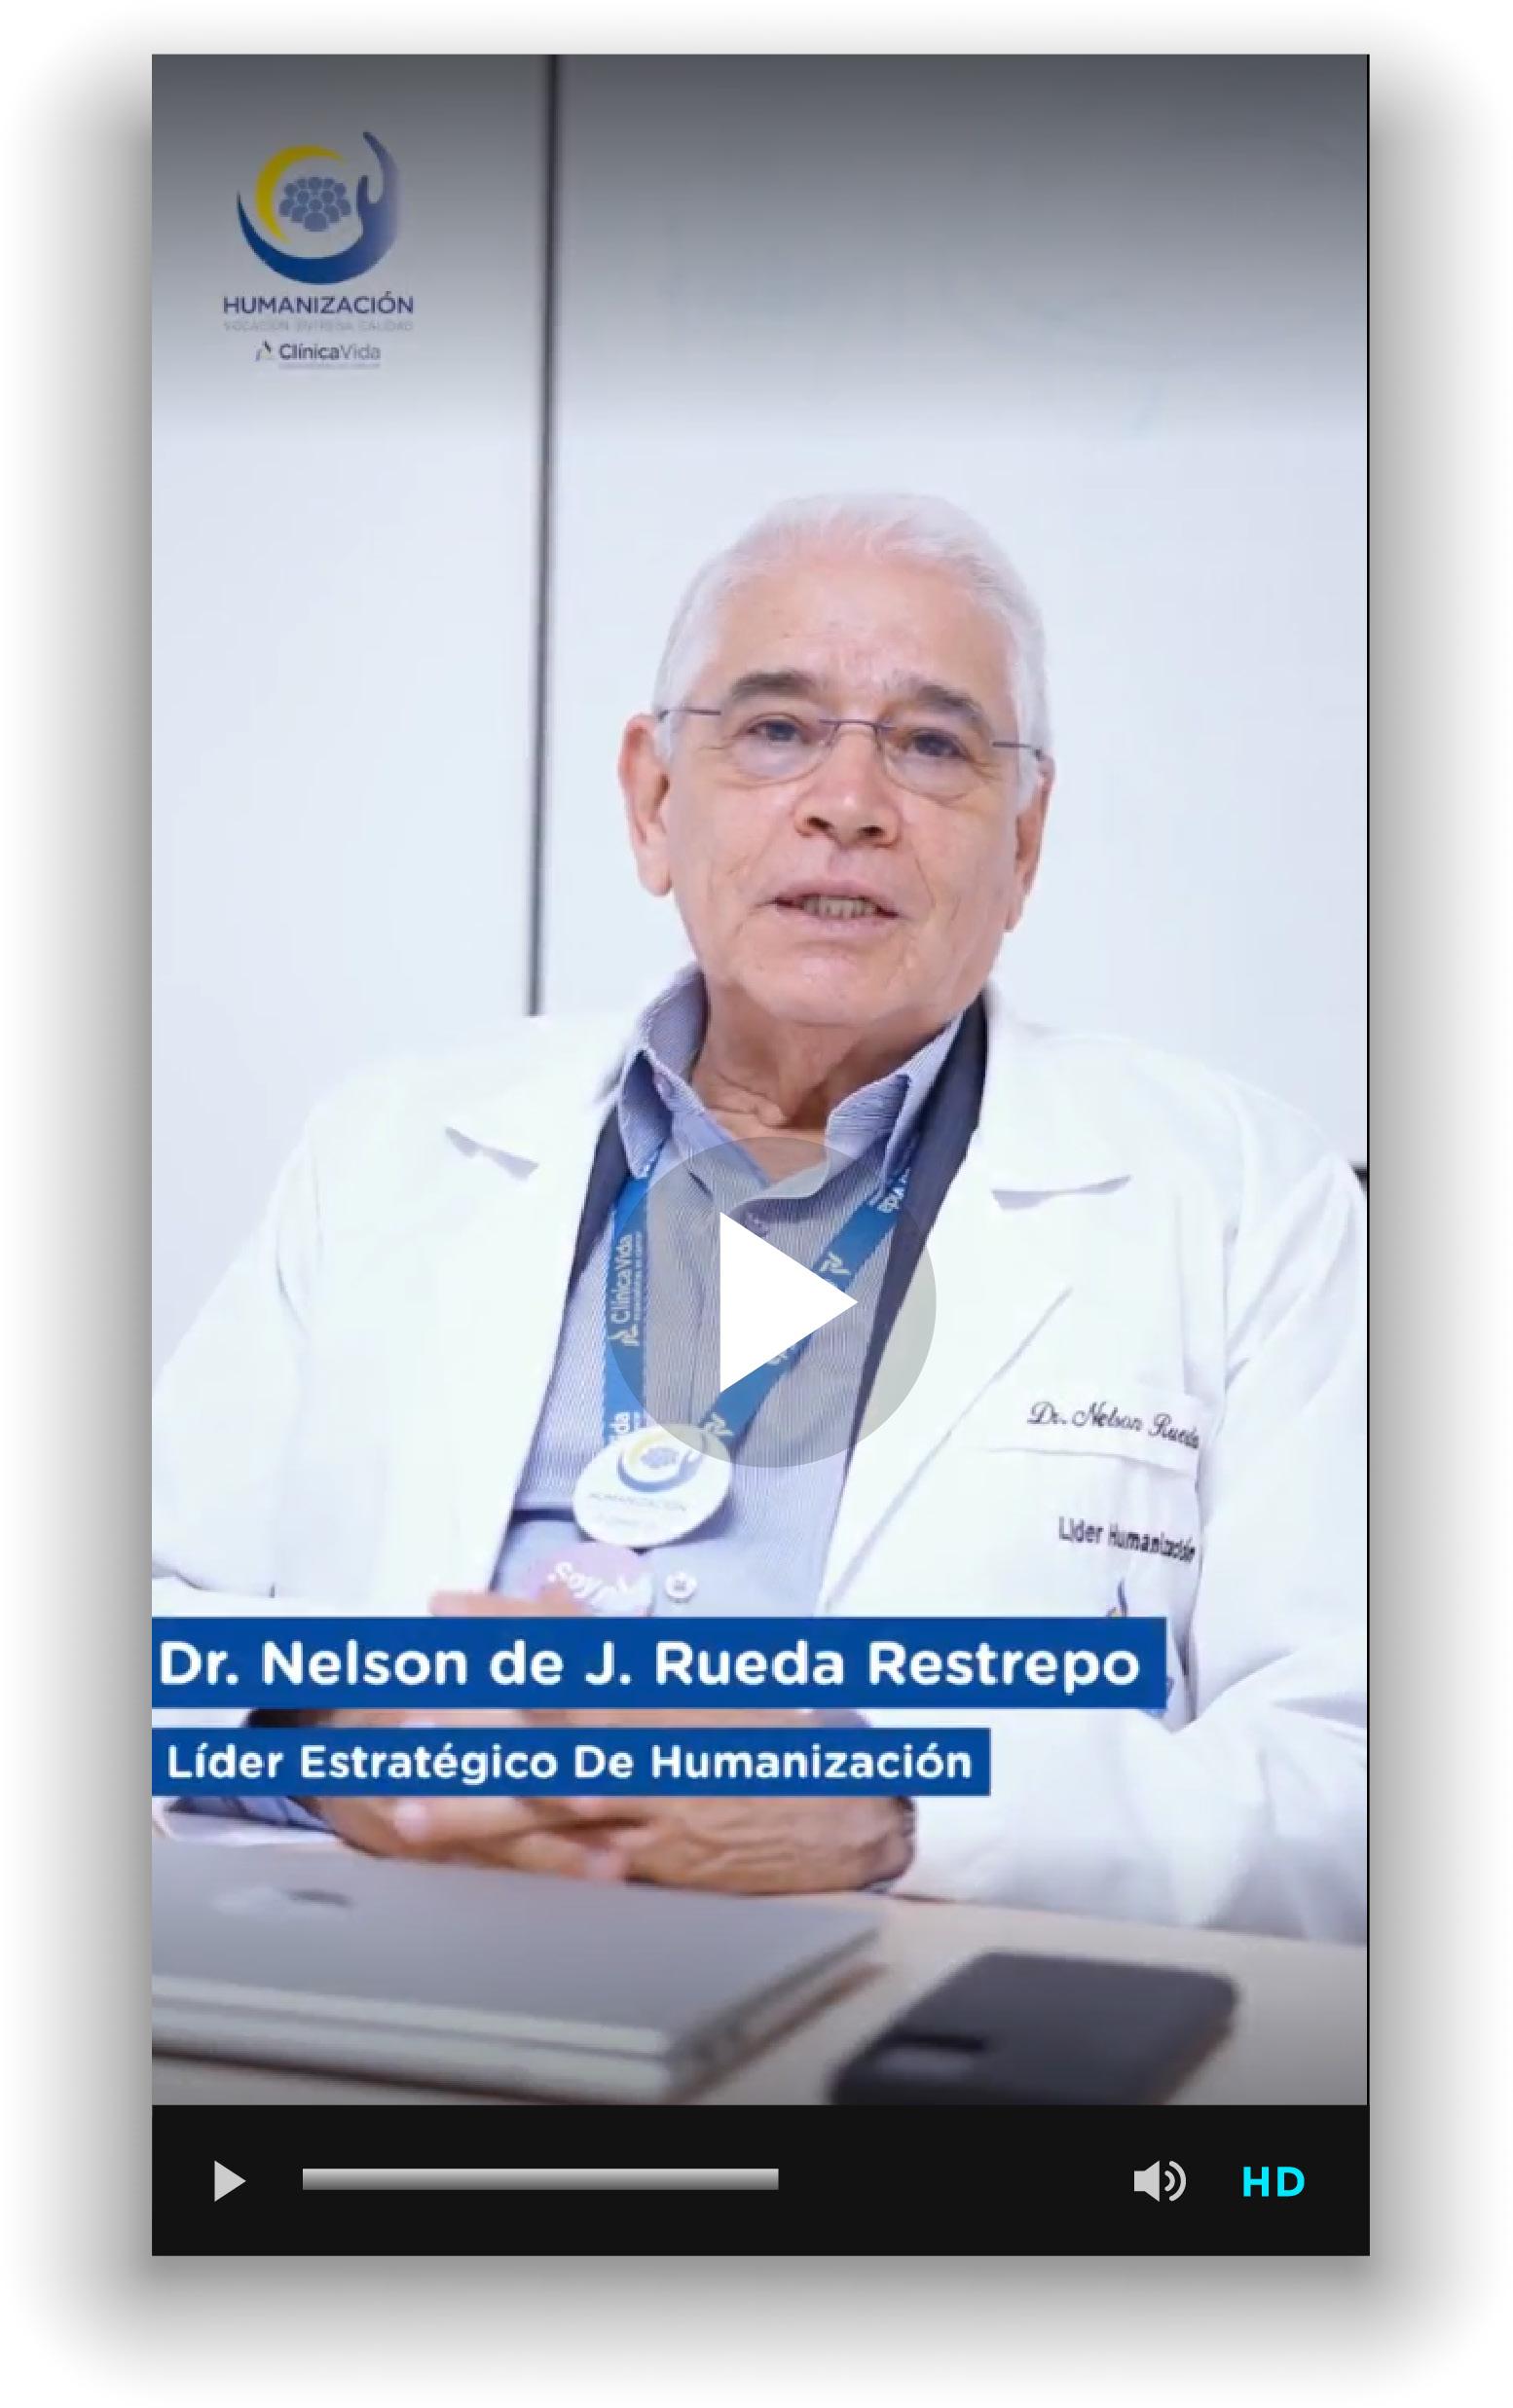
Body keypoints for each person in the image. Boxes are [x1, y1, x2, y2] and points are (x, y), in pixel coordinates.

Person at [153, 493, 1365, 1938]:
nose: (849, 801)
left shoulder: (1240, 1197)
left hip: (909, 1988)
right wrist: (322, 1744)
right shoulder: (388, 1146)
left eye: (932, 745)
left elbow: (1349, 1783)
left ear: (1026, 841)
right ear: (652, 800)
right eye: (777, 728)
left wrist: (897, 1803)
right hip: (389, 1945)